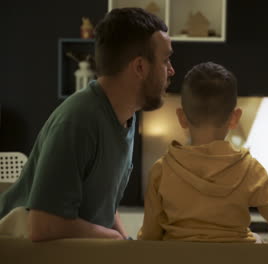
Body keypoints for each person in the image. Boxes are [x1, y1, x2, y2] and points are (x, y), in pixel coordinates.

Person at [0, 8, 175, 241]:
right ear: (140, 67)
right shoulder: (79, 120)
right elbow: (44, 225)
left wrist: (128, 249)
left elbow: (104, 205)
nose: (171, 70)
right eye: (165, 60)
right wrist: (114, 240)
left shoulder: (125, 117)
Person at [138, 62, 268, 243]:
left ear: (182, 118)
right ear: (234, 118)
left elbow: (150, 238)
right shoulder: (249, 169)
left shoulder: (161, 171)